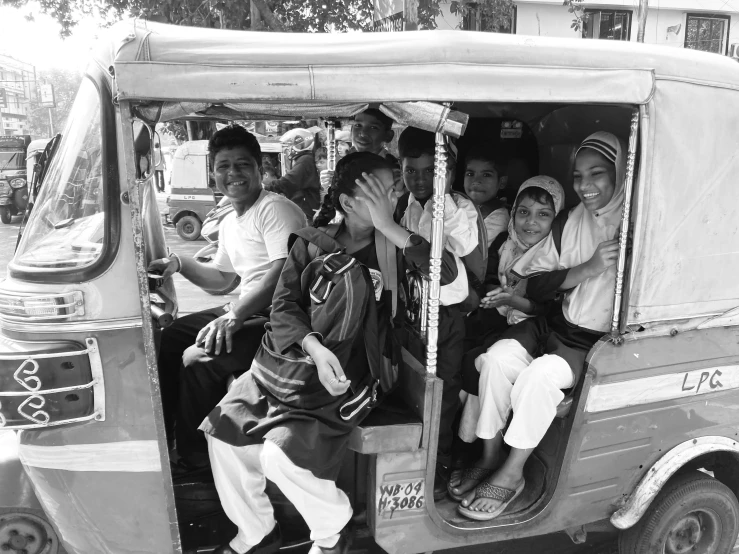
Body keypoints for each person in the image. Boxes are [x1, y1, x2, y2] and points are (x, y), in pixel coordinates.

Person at [200, 152, 458, 554]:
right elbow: (284, 307)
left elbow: (447, 275)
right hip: (291, 366)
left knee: (278, 457)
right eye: (384, 190)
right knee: (223, 435)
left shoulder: (395, 248)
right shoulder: (311, 242)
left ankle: (332, 530)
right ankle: (256, 534)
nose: (397, 195)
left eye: (394, 189)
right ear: (349, 202)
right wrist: (313, 347)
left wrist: (388, 225)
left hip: (351, 378)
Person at [455, 131, 625, 521]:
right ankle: (490, 455)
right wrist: (586, 269)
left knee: (538, 376)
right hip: (554, 327)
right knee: (495, 359)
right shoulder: (570, 222)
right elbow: (530, 278)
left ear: (619, 173)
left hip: (594, 342)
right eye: (578, 175)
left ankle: (512, 475)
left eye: (597, 173)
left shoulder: (636, 222)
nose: (585, 185)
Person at [151, 125, 307, 474]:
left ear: (259, 169)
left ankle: (195, 460)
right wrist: (179, 264)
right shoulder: (232, 218)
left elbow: (284, 272)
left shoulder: (275, 210)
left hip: (279, 318)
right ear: (213, 173)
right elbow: (221, 279)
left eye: (242, 165)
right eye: (224, 166)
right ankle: (166, 434)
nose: (232, 174)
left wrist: (235, 316)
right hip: (247, 308)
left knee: (199, 358)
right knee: (172, 335)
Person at [450, 176, 565, 497]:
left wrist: (511, 300)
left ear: (556, 219)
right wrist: (493, 295)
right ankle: (467, 447)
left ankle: (476, 451)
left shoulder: (555, 255)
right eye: (523, 212)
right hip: (495, 321)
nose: (530, 222)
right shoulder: (505, 242)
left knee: (482, 361)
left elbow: (548, 308)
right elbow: (487, 277)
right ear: (512, 213)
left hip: (533, 331)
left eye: (543, 215)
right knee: (459, 356)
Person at [395, 125, 481, 500]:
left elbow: (463, 244)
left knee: (443, 394)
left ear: (446, 170)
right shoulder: (407, 205)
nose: (419, 179)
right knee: (413, 387)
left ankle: (439, 465)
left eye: (430, 170)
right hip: (415, 311)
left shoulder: (458, 208)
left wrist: (441, 200)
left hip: (446, 318)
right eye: (410, 170)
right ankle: (415, 459)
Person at [319, 109, 397, 191]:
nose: (363, 133)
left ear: (388, 135)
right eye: (358, 125)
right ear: (352, 129)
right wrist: (331, 185)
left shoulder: (392, 169)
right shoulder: (346, 163)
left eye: (373, 127)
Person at [264, 128, 321, 221]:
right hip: (303, 210)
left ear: (300, 145)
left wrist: (266, 188)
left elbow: (289, 181)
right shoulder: (304, 159)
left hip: (305, 211)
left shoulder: (305, 160)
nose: (288, 148)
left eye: (290, 145)